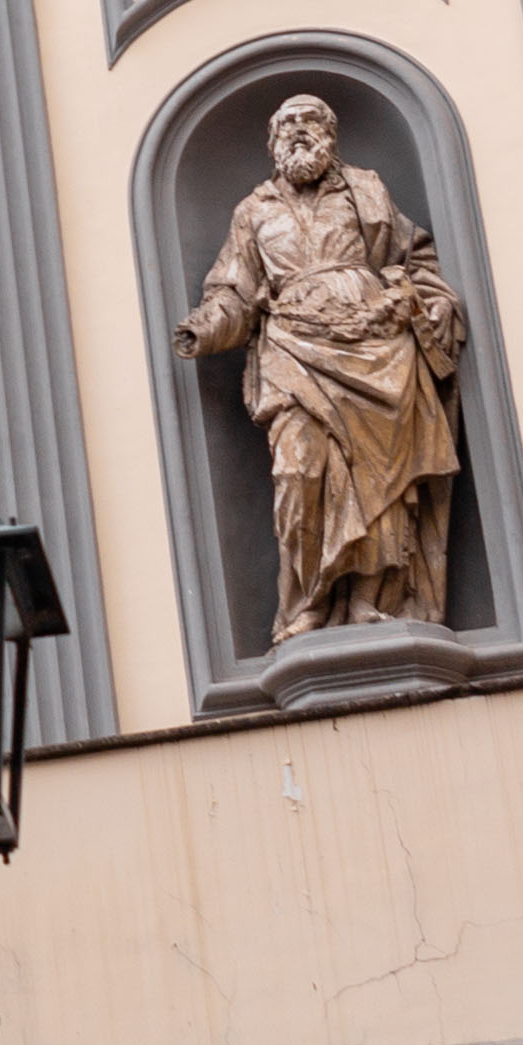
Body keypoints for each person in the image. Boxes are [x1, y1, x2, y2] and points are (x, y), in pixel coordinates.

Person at [176, 97, 471, 645]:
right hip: (294, 349)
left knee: (378, 476)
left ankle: (367, 601)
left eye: (309, 121)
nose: (298, 131)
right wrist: (207, 327)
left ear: (330, 134)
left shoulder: (367, 191)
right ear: (271, 141)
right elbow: (232, 290)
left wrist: (428, 303)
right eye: (285, 123)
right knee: (299, 473)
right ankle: (306, 602)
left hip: (378, 349)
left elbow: (414, 260)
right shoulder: (254, 210)